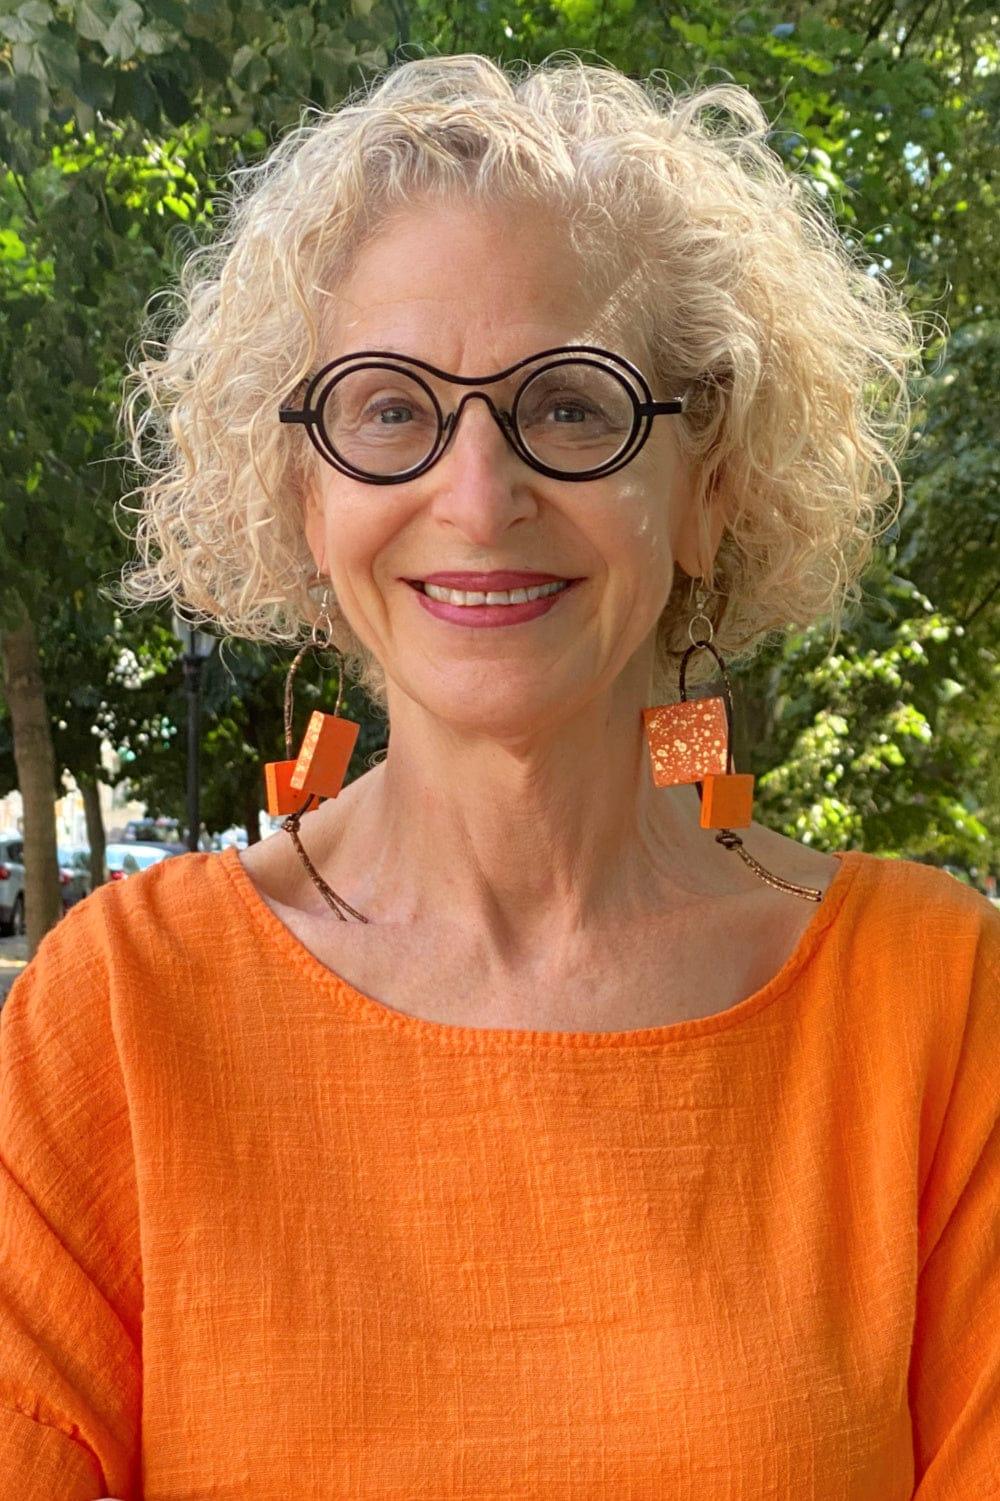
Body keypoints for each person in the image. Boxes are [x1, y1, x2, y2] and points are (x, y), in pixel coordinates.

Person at [2, 53, 997, 1501]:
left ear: (708, 488)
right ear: (308, 493)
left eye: (575, 404)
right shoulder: (120, 1021)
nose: (479, 496)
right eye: (391, 408)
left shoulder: (935, 1007)